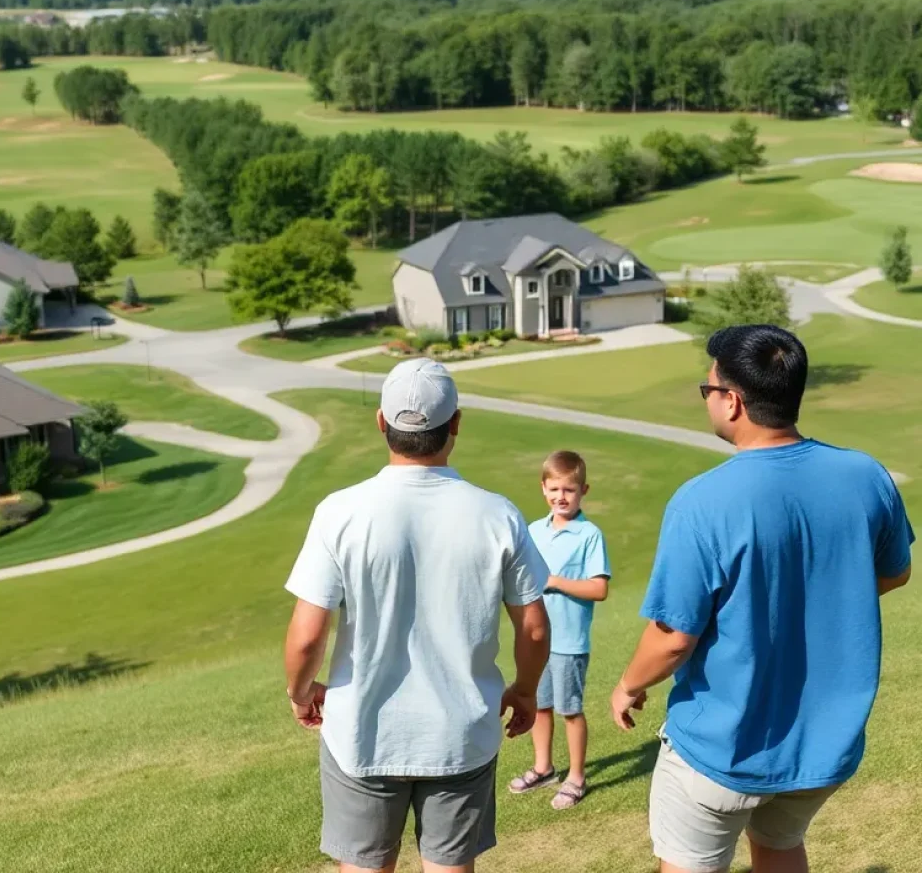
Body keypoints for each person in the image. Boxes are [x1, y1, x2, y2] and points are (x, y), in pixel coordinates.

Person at [611, 324, 914, 873]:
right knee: (779, 848)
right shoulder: (867, 476)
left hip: (719, 752)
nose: (707, 400)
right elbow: (896, 573)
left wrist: (628, 685)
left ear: (732, 401)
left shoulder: (702, 501)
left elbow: (673, 637)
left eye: (708, 390)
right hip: (822, 752)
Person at [284, 357, 551, 873]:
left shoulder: (339, 512)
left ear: (381, 423)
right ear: (455, 424)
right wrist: (525, 689)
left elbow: (306, 636)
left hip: (362, 732)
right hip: (461, 736)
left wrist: (301, 693)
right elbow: (534, 626)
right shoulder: (498, 514)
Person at [509, 450, 610, 810]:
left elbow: (599, 588)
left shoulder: (589, 534)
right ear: (543, 489)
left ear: (583, 489)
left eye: (569, 490)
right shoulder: (533, 531)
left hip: (569, 641)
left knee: (570, 710)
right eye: (554, 489)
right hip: (538, 639)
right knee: (539, 706)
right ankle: (543, 768)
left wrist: (555, 581)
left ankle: (577, 777)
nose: (561, 497)